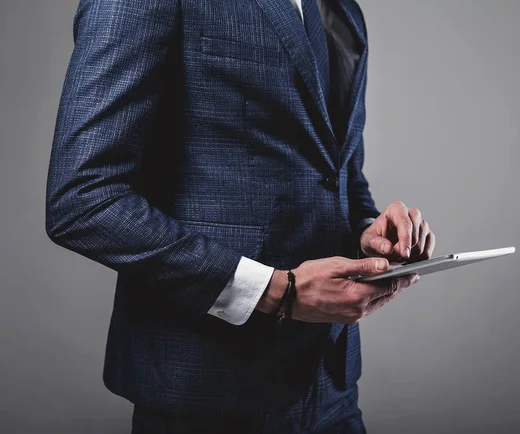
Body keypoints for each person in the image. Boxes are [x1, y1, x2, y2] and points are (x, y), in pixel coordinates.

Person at [45, 0, 435, 432]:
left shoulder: (342, 12)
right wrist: (276, 291)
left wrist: (370, 231)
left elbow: (337, 173)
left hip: (330, 387)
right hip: (207, 388)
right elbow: (83, 199)